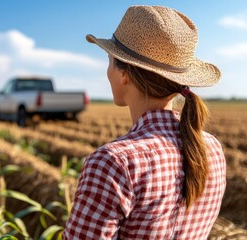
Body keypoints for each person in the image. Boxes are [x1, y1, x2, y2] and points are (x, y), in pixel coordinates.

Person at [63, 5, 226, 239]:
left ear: (123, 74)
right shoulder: (212, 149)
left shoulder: (113, 163)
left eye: (110, 60)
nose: (108, 71)